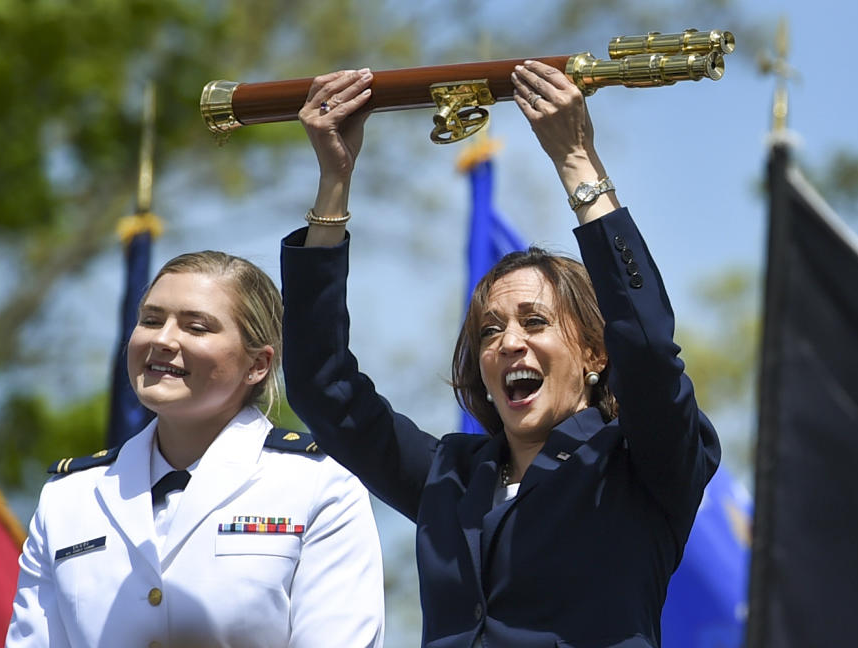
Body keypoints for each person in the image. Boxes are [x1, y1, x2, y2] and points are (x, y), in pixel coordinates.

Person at [280, 64, 720, 647]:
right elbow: (321, 386)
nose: (509, 341)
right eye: (489, 331)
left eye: (534, 322)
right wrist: (334, 181)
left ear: (594, 351)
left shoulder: (642, 465)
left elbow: (646, 345)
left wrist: (577, 162)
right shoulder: (451, 476)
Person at [6, 251, 385, 648]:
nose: (163, 339)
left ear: (257, 364)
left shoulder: (321, 485)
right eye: (151, 320)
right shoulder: (68, 498)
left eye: (196, 327)